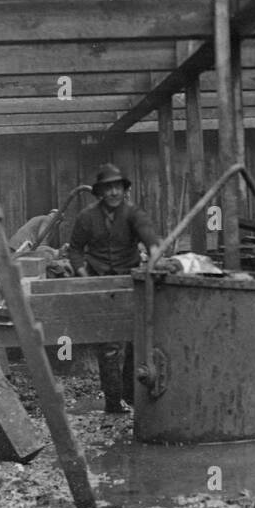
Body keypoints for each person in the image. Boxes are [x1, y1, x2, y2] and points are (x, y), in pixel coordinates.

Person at [68, 163, 161, 414]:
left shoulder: (133, 213)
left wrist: (155, 253)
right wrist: (83, 273)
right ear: (100, 192)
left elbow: (149, 236)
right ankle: (113, 402)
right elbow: (74, 249)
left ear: (124, 190)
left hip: (129, 283)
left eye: (117, 187)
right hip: (99, 283)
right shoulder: (87, 217)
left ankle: (131, 397)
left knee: (134, 340)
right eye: (108, 188)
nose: (113, 193)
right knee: (108, 345)